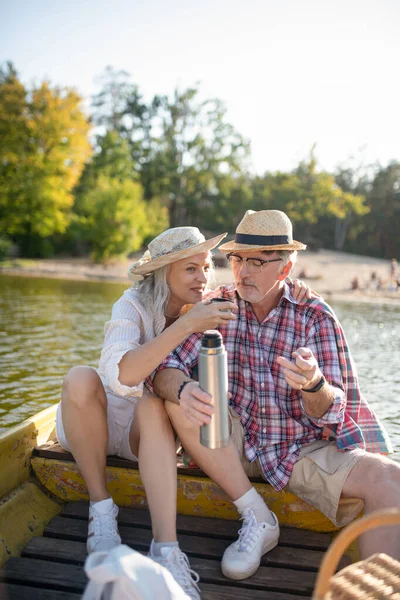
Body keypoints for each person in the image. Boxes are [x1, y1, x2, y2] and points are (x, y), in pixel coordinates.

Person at [56, 224, 312, 598]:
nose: (203, 277)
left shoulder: (209, 304)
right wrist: (186, 326)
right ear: (166, 273)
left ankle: (166, 550)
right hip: (96, 421)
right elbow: (123, 374)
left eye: (207, 267)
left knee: (157, 399)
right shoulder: (132, 304)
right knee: (80, 377)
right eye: (191, 269)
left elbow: (264, 292)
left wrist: (297, 288)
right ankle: (102, 511)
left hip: (145, 435)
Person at [152, 209, 398, 584]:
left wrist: (313, 384)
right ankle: (257, 516)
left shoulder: (315, 317)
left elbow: (331, 411)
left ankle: (376, 591)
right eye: (236, 260)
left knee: (389, 480)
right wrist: (184, 388)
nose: (242, 272)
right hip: (231, 445)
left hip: (298, 450)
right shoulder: (218, 306)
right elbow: (164, 370)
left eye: (256, 262)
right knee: (179, 399)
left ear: (284, 269)